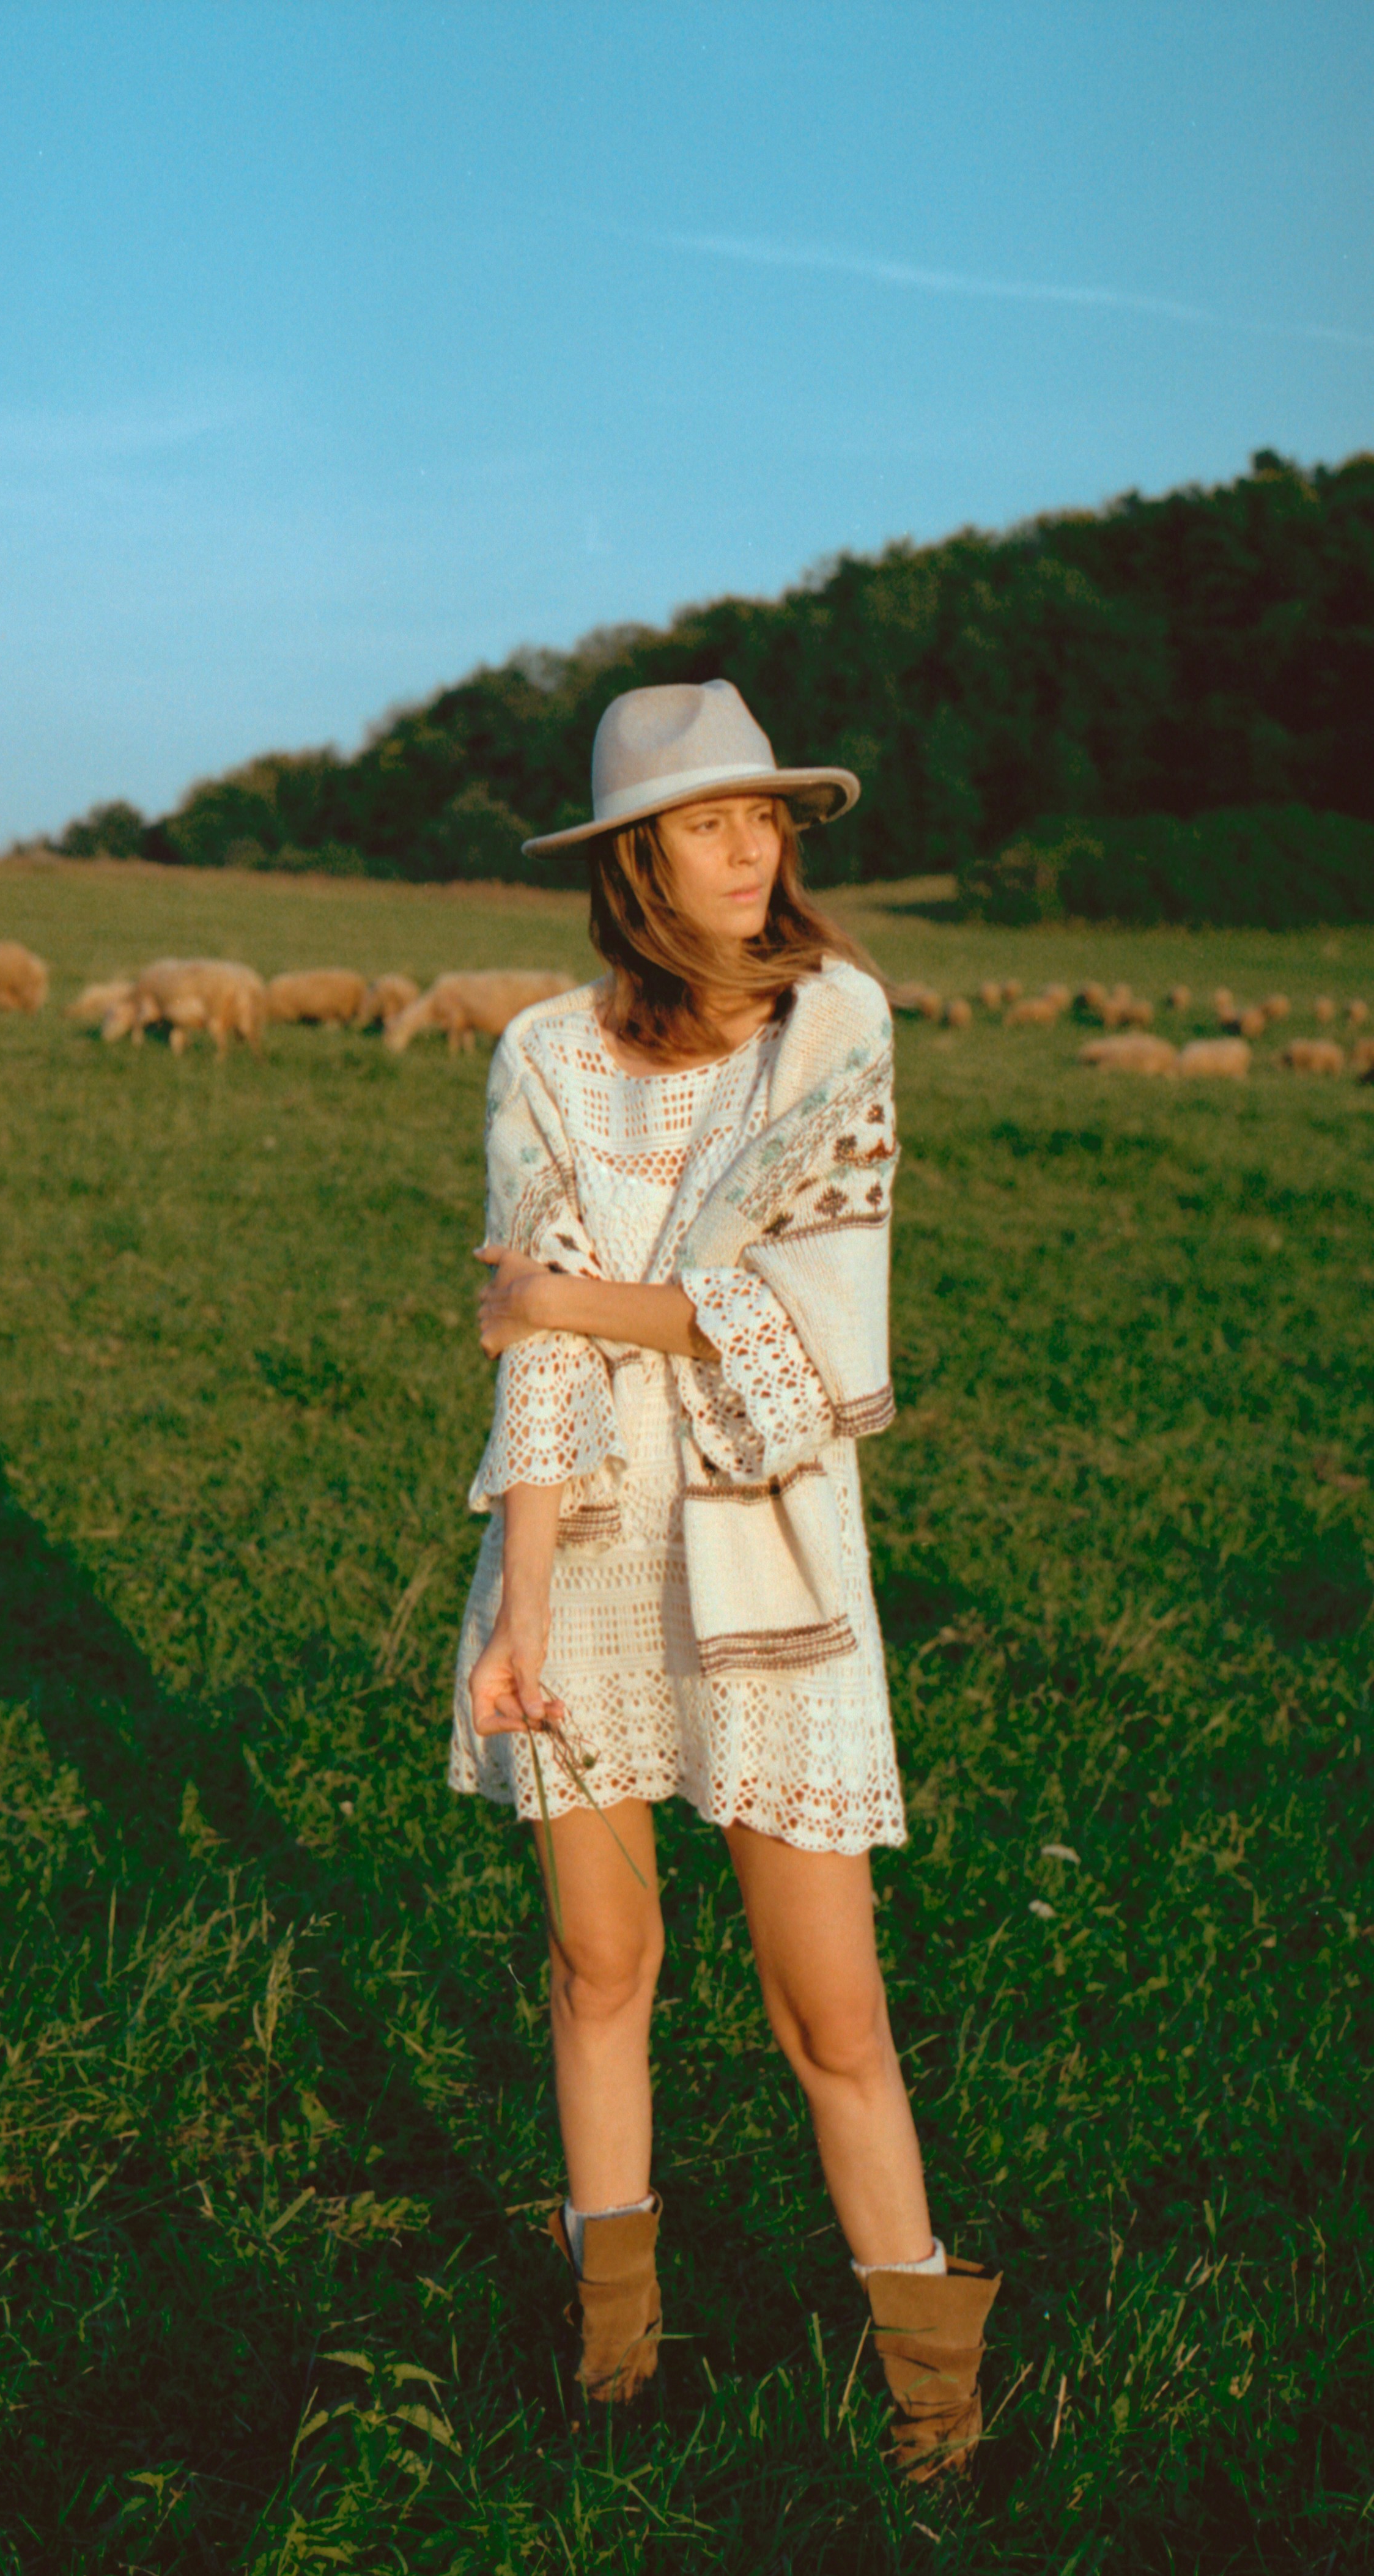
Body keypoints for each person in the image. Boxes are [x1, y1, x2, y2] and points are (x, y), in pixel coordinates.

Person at [449, 681, 1000, 2480]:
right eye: (706, 822)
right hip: (584, 1554)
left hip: (767, 1561)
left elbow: (824, 1343)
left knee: (823, 2006)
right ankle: (614, 2370)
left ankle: (934, 2407)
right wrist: (519, 1613)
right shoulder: (539, 1054)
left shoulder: (836, 1027)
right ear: (632, 857)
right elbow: (536, 1362)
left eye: (767, 817)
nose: (751, 848)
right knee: (596, 1966)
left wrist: (561, 1296)